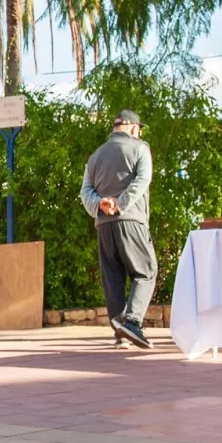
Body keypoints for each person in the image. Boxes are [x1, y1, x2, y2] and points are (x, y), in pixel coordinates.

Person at [80, 109, 158, 349]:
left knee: (112, 277)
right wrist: (120, 204)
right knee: (146, 270)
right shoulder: (140, 147)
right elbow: (142, 181)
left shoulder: (95, 156)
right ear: (133, 129)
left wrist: (101, 205)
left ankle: (120, 333)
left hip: (104, 224)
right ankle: (132, 323)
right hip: (131, 220)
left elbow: (85, 191)